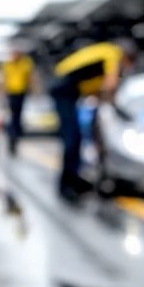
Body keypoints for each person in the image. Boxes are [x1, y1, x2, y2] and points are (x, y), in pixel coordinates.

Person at [49, 39, 127, 204]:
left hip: (69, 88)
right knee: (72, 137)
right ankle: (66, 184)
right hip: (63, 86)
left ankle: (74, 178)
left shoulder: (99, 61)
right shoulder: (113, 52)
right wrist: (118, 108)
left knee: (77, 136)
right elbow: (110, 84)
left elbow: (97, 91)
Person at [0, 47, 34, 154]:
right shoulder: (7, 65)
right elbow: (4, 79)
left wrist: (32, 90)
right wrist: (2, 93)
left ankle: (15, 135)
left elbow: (29, 78)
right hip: (11, 92)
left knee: (17, 116)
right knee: (13, 116)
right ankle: (13, 136)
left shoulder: (26, 63)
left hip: (21, 92)